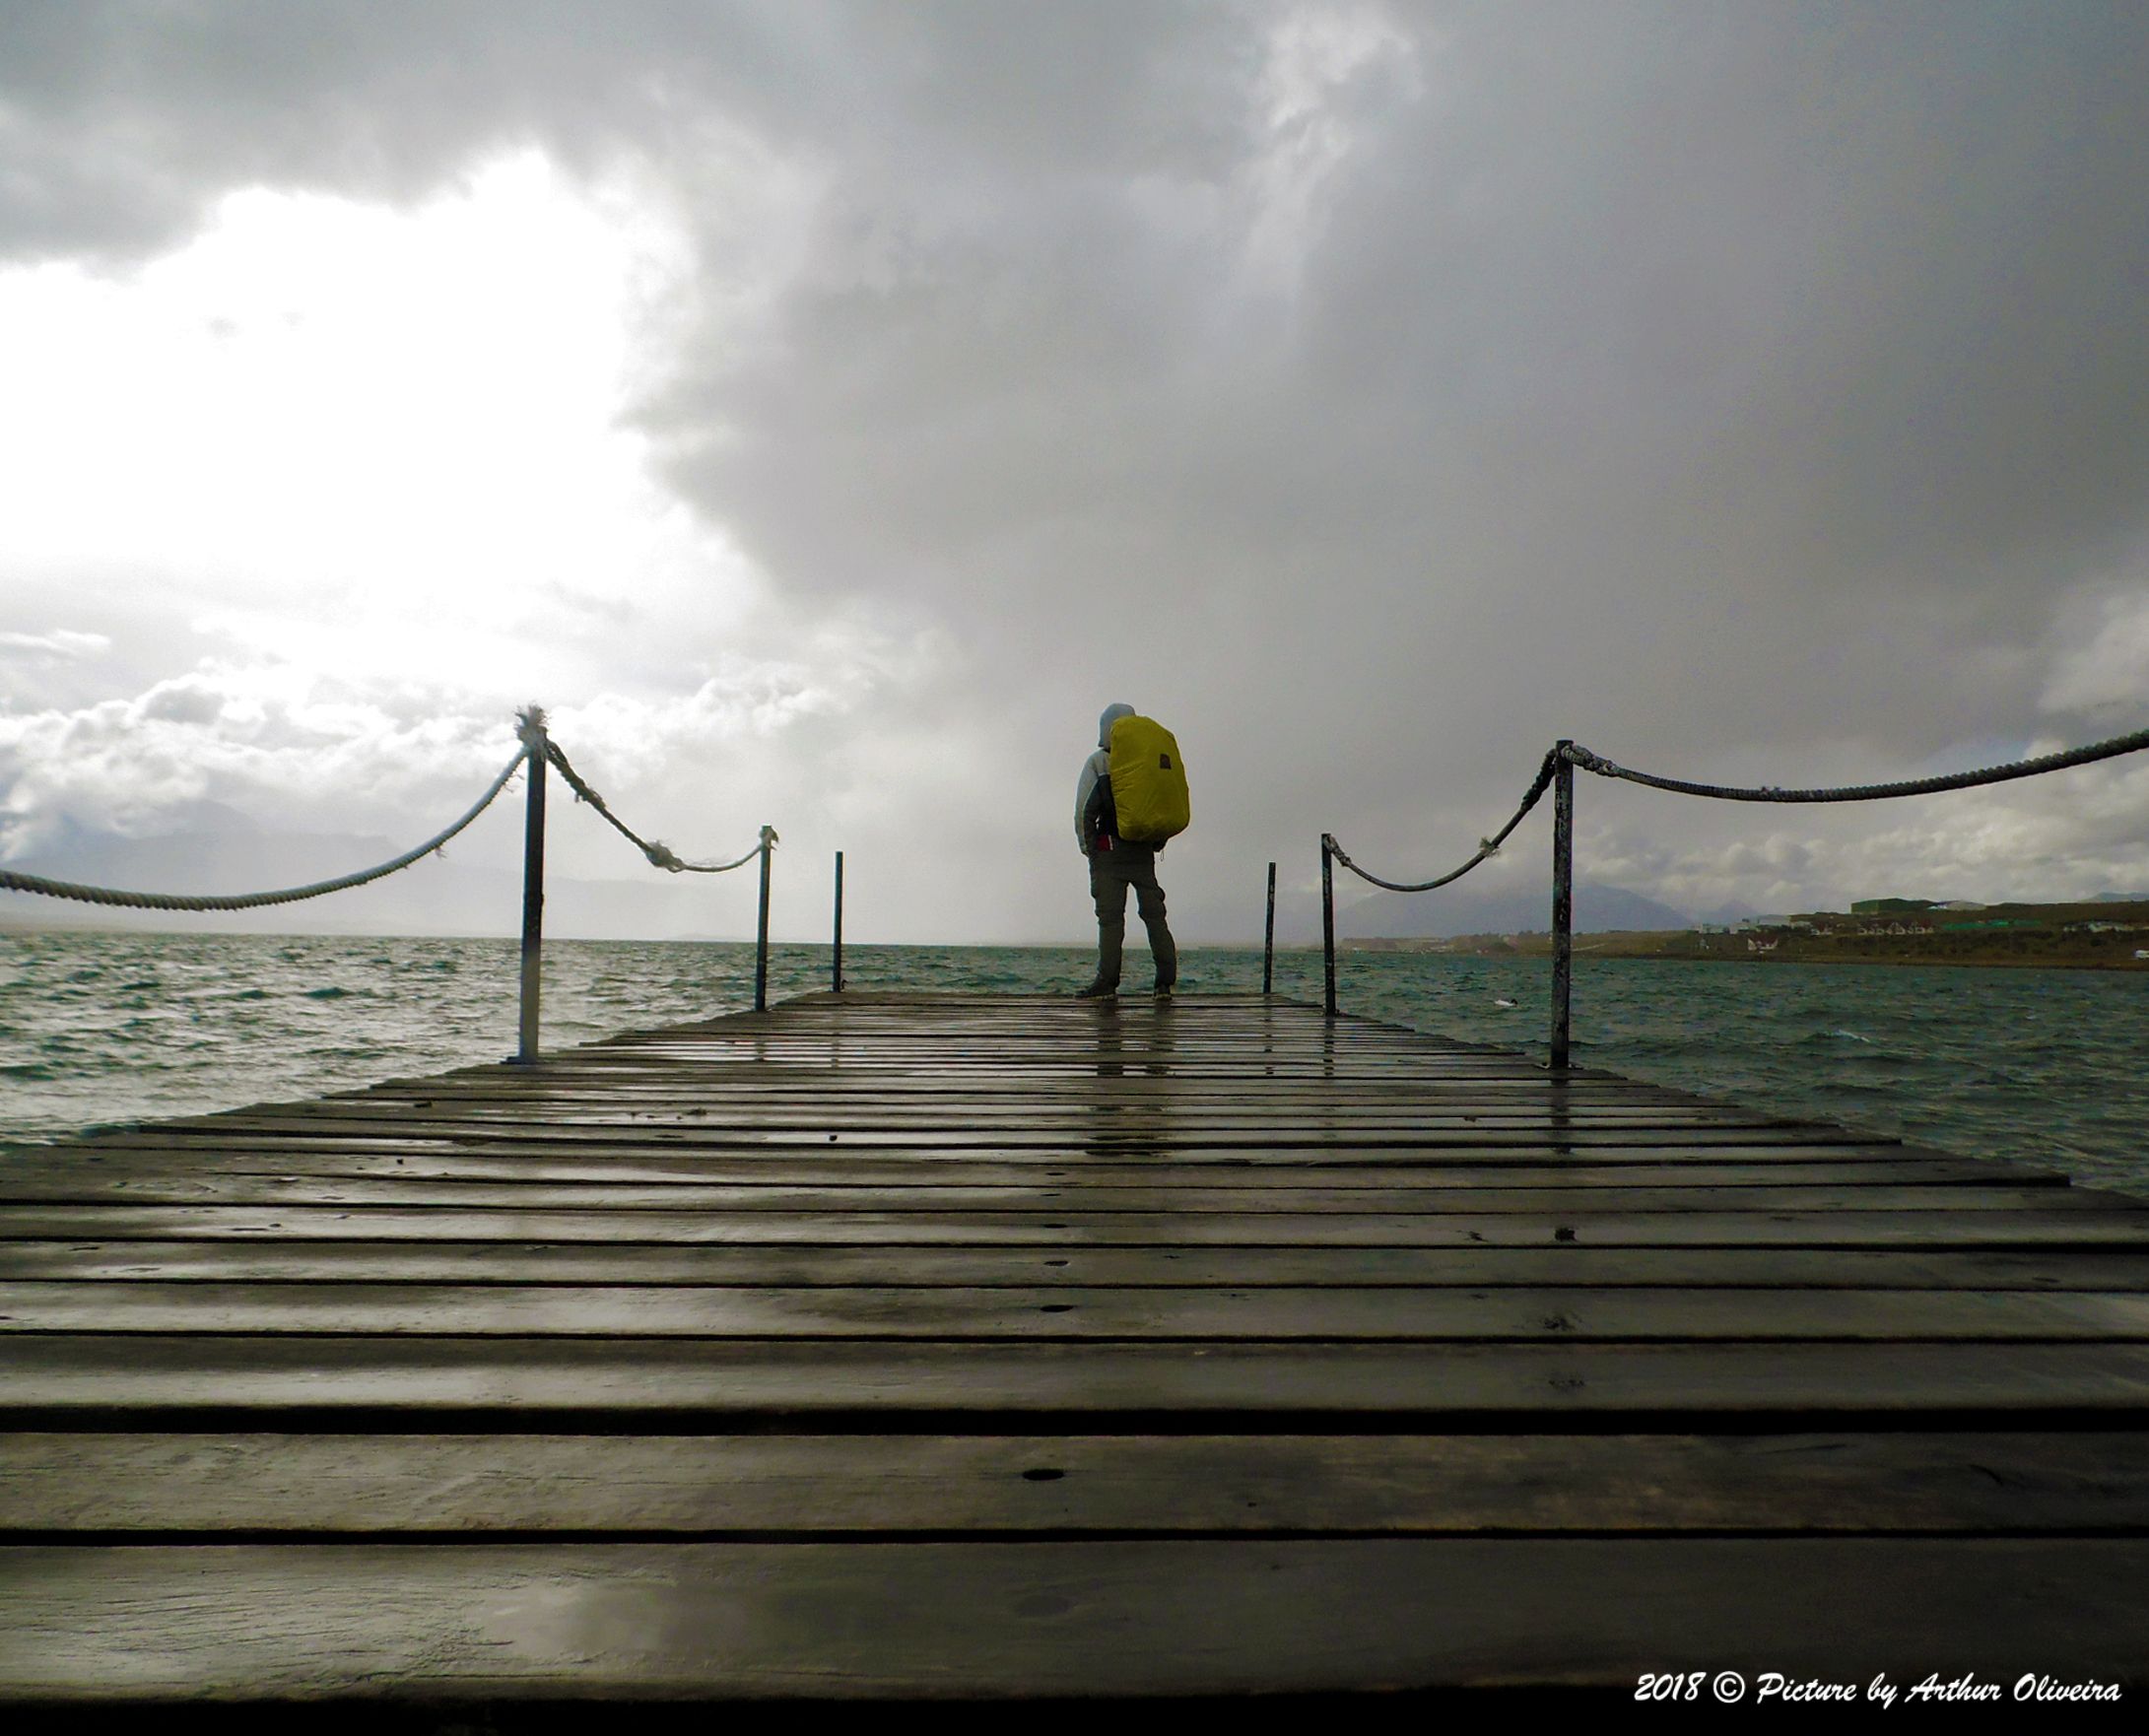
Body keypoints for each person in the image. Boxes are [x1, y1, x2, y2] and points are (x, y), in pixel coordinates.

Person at [1074, 701, 1177, 997]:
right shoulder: (1149, 761)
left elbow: (1084, 811)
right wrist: (1157, 843)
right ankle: (1165, 982)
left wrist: (1089, 850)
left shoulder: (1098, 763)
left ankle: (1107, 982)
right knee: (1155, 916)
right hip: (1143, 852)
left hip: (1107, 853)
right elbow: (1162, 807)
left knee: (1110, 920)